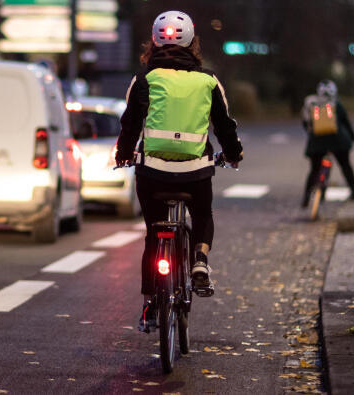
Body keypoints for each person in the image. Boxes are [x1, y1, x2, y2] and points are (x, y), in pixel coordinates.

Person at [115, 10, 243, 333]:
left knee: (153, 234)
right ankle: (200, 258)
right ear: (192, 43)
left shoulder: (144, 79)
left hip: (152, 172)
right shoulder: (208, 81)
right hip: (196, 172)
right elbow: (224, 126)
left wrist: (123, 155)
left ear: (154, 43)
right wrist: (233, 155)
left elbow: (129, 124)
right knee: (201, 214)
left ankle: (150, 307)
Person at [301, 79, 354, 206]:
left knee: (314, 169)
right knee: (345, 165)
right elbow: (345, 123)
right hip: (338, 141)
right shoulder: (335, 103)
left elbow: (305, 123)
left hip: (317, 142)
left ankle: (306, 196)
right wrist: (353, 138)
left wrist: (312, 135)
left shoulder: (310, 103)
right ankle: (353, 192)